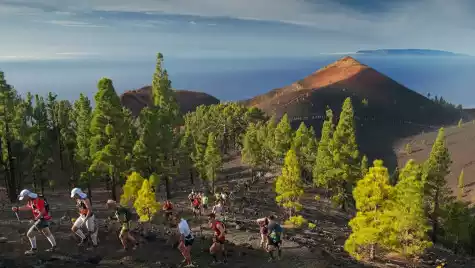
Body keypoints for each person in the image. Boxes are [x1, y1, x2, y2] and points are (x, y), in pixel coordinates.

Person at [12, 189, 57, 255]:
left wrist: (35, 219)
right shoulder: (31, 200)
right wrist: (18, 208)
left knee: (29, 234)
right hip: (42, 218)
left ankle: (34, 249)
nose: (23, 199)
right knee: (47, 232)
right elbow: (28, 207)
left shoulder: (38, 200)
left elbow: (42, 211)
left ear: (27, 196)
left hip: (41, 219)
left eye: (24, 198)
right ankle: (54, 247)